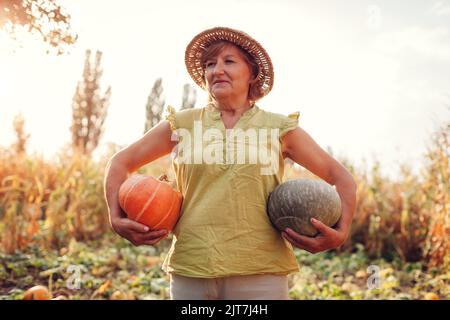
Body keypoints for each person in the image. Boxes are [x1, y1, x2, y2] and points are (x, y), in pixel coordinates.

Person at [104, 27, 357, 300]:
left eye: (229, 61)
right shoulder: (182, 124)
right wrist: (116, 218)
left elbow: (339, 177)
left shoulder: (279, 128)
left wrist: (340, 232)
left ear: (252, 73)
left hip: (261, 271)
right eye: (210, 64)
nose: (216, 70)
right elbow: (120, 163)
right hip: (193, 267)